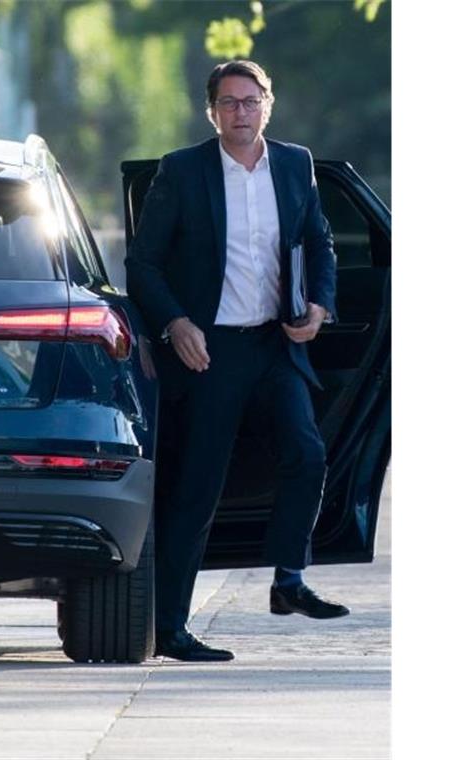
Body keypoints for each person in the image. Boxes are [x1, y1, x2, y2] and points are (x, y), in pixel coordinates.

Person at [125, 60, 348, 663]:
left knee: (306, 453)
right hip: (210, 351)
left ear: (267, 105)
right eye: (228, 103)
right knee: (197, 490)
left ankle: (289, 580)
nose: (240, 113)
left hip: (274, 345)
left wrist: (320, 306)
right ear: (212, 112)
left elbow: (319, 240)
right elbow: (142, 264)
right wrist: (176, 323)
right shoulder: (183, 170)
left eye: (250, 102)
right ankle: (170, 628)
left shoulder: (296, 165)